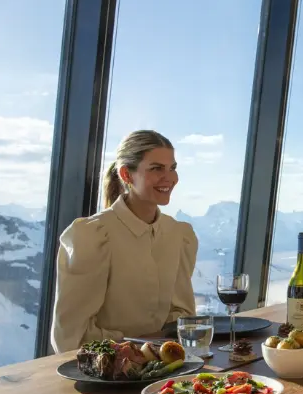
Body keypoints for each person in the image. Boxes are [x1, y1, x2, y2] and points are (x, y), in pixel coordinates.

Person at [51, 130, 198, 353]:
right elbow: (70, 338)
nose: (169, 177)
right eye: (156, 168)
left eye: (172, 168)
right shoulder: (92, 235)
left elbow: (183, 318)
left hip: (163, 369)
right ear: (127, 175)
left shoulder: (180, 235)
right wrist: (145, 343)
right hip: (106, 375)